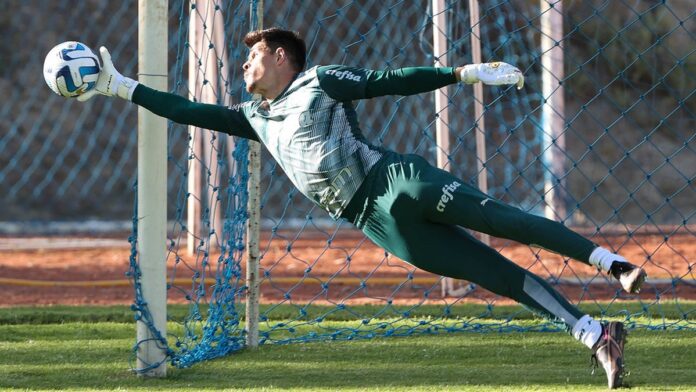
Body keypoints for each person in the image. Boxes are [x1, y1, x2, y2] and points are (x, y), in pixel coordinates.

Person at [78, 28, 646, 388]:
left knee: (503, 220)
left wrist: (462, 73)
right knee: (493, 274)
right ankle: (598, 336)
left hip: (396, 181)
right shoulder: (252, 117)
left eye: (253, 56)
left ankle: (610, 264)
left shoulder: (317, 82)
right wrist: (119, 86)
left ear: (281, 57)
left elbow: (388, 82)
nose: (245, 65)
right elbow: (185, 109)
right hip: (375, 223)